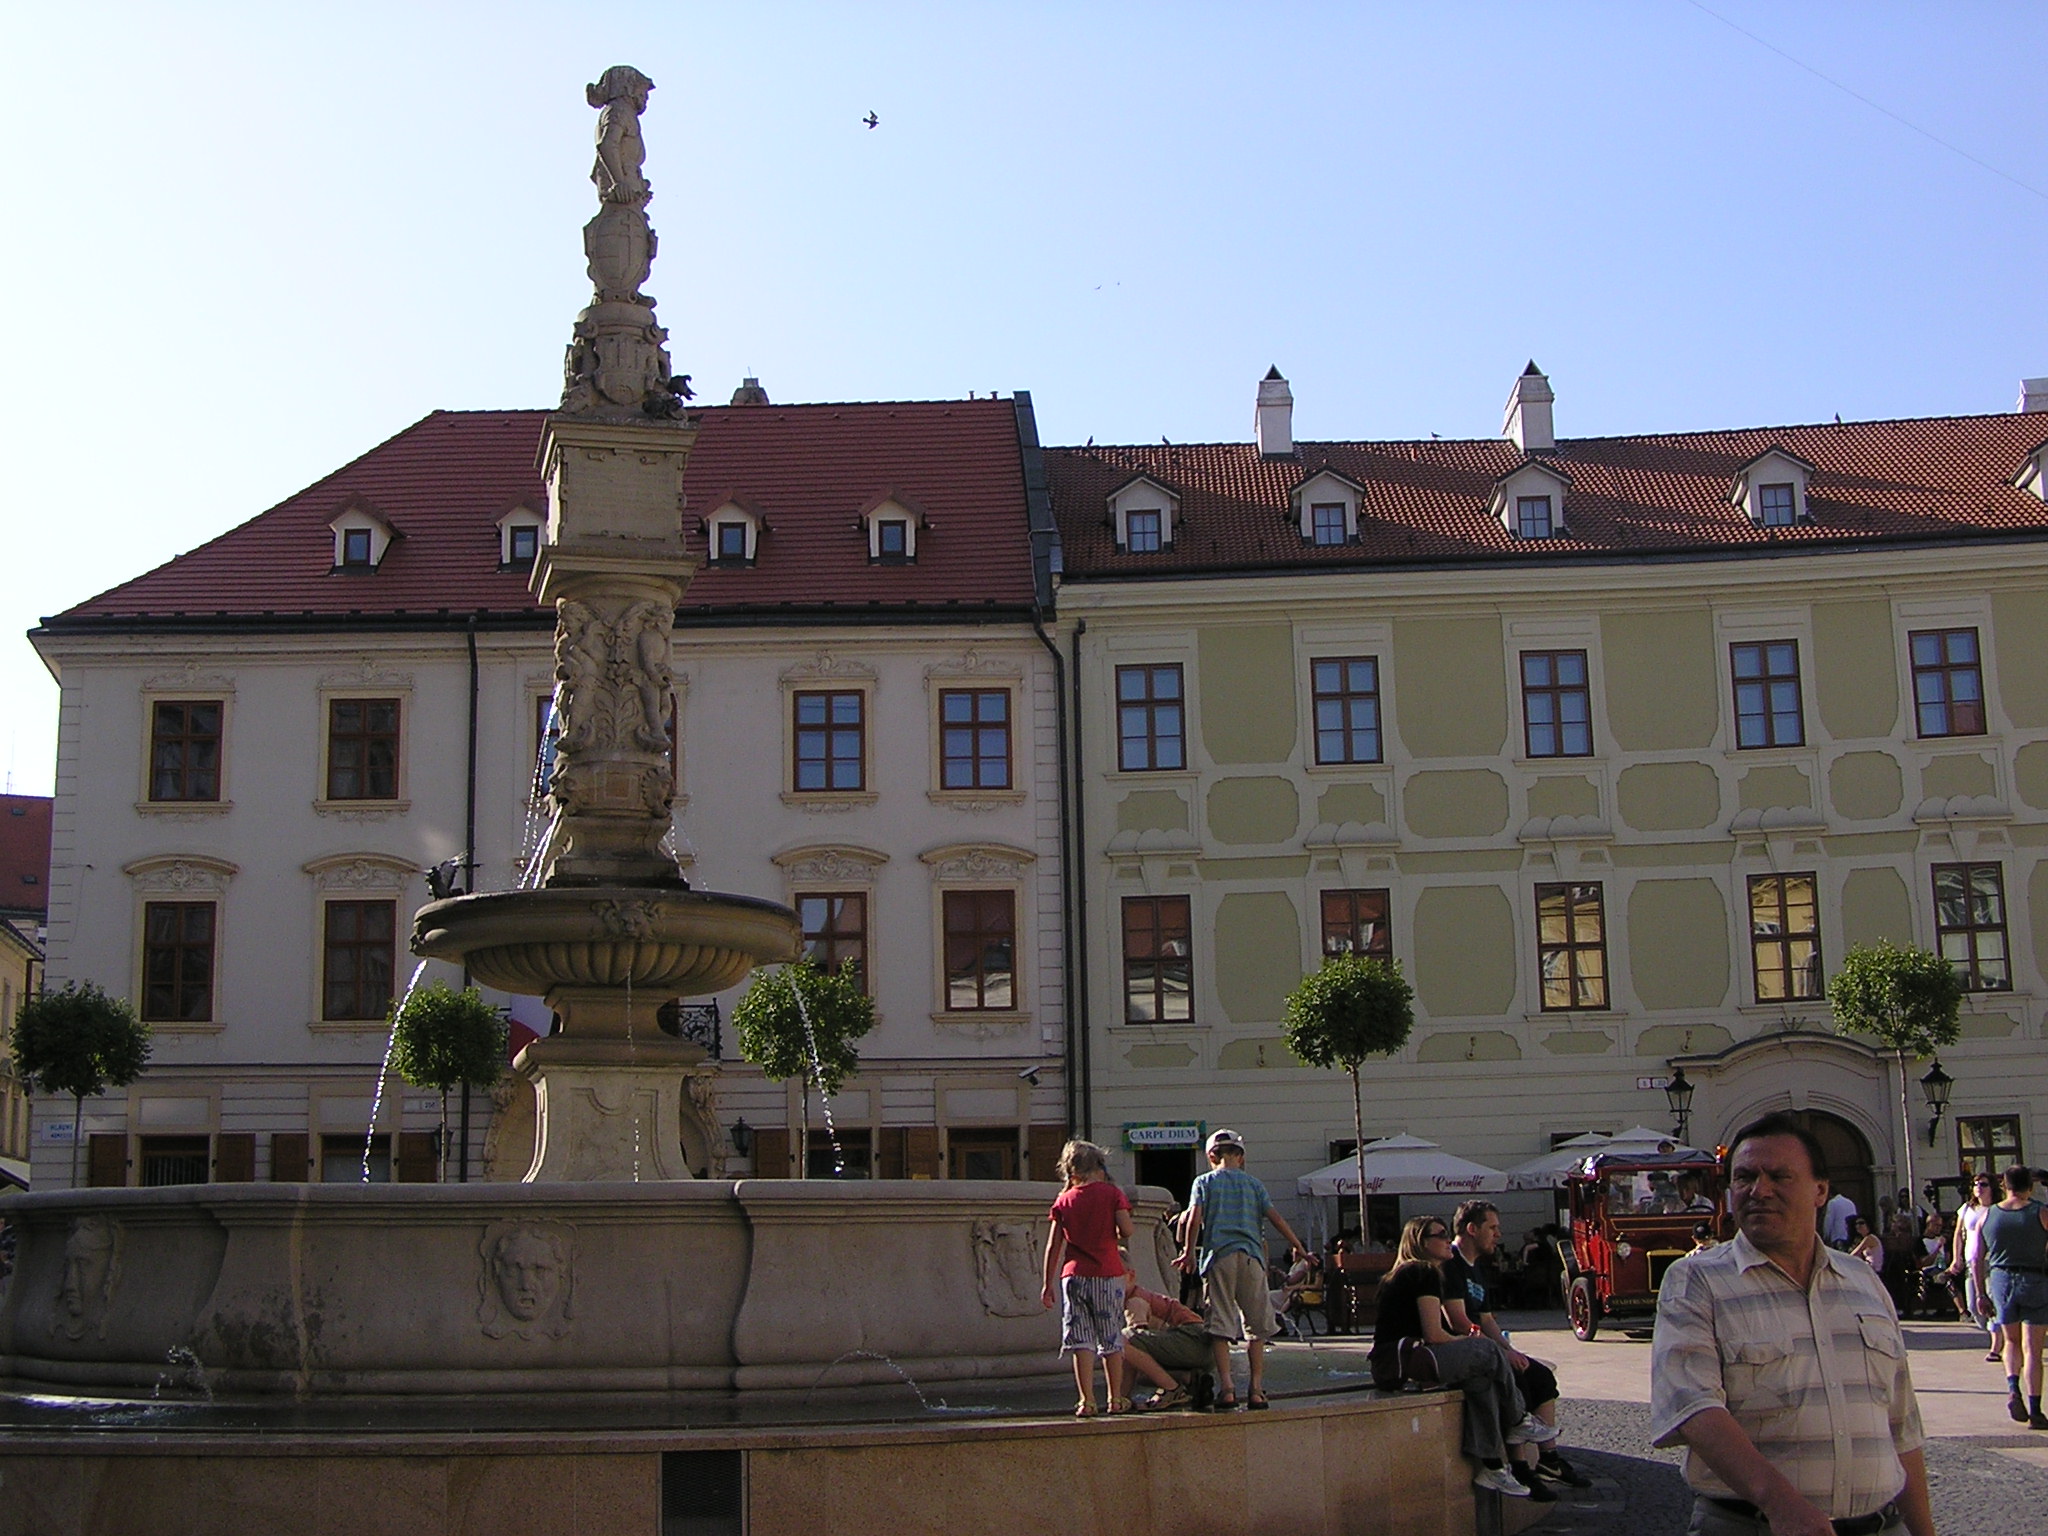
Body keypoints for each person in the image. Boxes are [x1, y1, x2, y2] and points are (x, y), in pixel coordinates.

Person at [1651, 1112, 1932, 1536]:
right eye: (1745, 1177)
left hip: (1880, 1524)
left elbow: (1902, 1425)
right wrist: (1781, 1503)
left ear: (1820, 1190)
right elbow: (1692, 1407)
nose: (1759, 1190)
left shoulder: (1862, 1281)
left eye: (1779, 1176)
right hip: (1752, 1526)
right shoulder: (1697, 1280)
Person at [1369, 1215, 1555, 1501]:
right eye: (1440, 1235)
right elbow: (1434, 1334)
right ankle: (1519, 1419)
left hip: (1394, 1364)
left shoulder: (1407, 1272)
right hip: (1407, 1359)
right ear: (1422, 1242)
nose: (1448, 1240)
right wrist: (1469, 1342)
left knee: (1481, 1378)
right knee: (1487, 1349)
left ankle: (1493, 1465)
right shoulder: (1423, 1272)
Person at [1440, 1198, 1588, 1495]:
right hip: (1463, 1351)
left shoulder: (1476, 1267)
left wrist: (1509, 1349)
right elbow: (1458, 1322)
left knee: (1540, 1376)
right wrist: (1501, 1354)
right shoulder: (1451, 1264)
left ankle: (1549, 1460)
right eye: (1492, 1228)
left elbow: (1486, 1319)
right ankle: (1519, 1467)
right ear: (1471, 1229)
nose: (1498, 1234)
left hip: (1484, 1348)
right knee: (1515, 1382)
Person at [1174, 1128, 1308, 1411]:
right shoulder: (1254, 1185)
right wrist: (1299, 1246)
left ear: (1211, 1156)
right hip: (1251, 1259)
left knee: (1220, 1324)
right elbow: (1276, 1218)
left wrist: (1187, 1251)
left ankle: (1227, 1389)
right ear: (1241, 1157)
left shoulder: (1203, 1182)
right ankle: (1256, 1390)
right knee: (1256, 1327)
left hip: (1219, 1258)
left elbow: (1194, 1219)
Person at [1040, 1138, 1134, 1417]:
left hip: (1074, 1276)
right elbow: (1127, 1230)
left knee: (1080, 1340)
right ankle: (1115, 1398)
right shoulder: (1112, 1194)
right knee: (1110, 1337)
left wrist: (1047, 1284)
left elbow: (1053, 1245)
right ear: (1100, 1167)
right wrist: (1114, 1230)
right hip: (1107, 1274)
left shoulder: (1064, 1200)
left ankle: (1086, 1401)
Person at [1972, 1164, 2048, 1429]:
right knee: (2033, 1349)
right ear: (2030, 1186)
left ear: (2004, 1185)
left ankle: (2013, 1388)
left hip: (2001, 1281)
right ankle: (2036, 1410)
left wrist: (1981, 1293)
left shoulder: (1987, 1215)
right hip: (2035, 1280)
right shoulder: (2040, 1212)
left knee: (2011, 1341)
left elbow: (1976, 1258)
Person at [1119, 1262, 1213, 1412]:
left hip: (1192, 1338)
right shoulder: (1140, 1296)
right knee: (1140, 1367)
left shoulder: (1135, 1302)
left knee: (1121, 1340)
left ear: (1130, 1276)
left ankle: (1172, 1389)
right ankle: (1190, 1379)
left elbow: (1132, 1342)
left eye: (1113, 1279)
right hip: (1204, 1346)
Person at [1949, 1173, 2005, 1364]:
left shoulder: (1997, 1209)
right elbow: (1958, 1234)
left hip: (1991, 1261)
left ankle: (1996, 1346)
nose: (1978, 1187)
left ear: (1992, 1188)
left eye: (1983, 1184)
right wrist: (1956, 1258)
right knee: (1974, 1306)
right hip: (1971, 1261)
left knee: (1993, 1303)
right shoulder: (1967, 1209)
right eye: (1975, 1184)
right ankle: (1998, 1331)